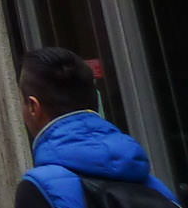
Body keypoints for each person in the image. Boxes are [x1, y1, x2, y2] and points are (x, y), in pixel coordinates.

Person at [14, 47, 179, 208]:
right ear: (95, 99)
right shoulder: (155, 186)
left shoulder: (40, 189)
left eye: (21, 101)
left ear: (33, 107)